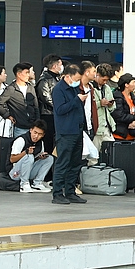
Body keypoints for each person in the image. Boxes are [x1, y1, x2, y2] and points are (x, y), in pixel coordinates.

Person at [51, 64, 88, 205]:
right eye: (76, 78)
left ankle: (70, 192)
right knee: (63, 162)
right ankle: (58, 193)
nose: (77, 81)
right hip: (66, 131)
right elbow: (60, 109)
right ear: (67, 76)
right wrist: (77, 100)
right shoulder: (59, 90)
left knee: (75, 163)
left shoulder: (74, 88)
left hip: (77, 130)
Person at [0, 63, 40, 137]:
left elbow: (36, 106)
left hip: (33, 126)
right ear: (19, 74)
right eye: (26, 73)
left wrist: (38, 122)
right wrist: (7, 115)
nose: (28, 75)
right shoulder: (11, 89)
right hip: (19, 127)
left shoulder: (30, 87)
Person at [9, 120, 54, 193]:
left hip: (28, 171)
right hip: (15, 173)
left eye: (39, 134)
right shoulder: (21, 140)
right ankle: (24, 184)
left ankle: (37, 183)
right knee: (29, 156)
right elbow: (12, 159)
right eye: (35, 132)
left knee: (49, 158)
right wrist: (25, 152)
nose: (36, 136)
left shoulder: (40, 143)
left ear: (43, 135)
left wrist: (40, 157)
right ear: (31, 130)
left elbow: (33, 160)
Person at [35, 54, 63, 156]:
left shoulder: (58, 79)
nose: (62, 67)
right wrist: (60, 106)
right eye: (60, 64)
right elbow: (46, 98)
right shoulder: (44, 80)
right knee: (49, 143)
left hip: (56, 114)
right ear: (55, 66)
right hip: (48, 115)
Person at [93, 63, 117, 146]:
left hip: (107, 126)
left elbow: (113, 108)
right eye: (104, 80)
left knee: (112, 153)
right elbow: (87, 107)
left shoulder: (106, 88)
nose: (105, 82)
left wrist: (110, 104)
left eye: (107, 80)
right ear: (97, 75)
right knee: (93, 157)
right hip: (95, 128)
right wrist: (100, 103)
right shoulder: (90, 87)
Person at [112, 74, 135, 141]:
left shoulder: (133, 97)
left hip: (132, 135)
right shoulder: (117, 96)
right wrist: (134, 117)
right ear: (126, 85)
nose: (134, 85)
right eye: (132, 82)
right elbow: (119, 115)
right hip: (120, 135)